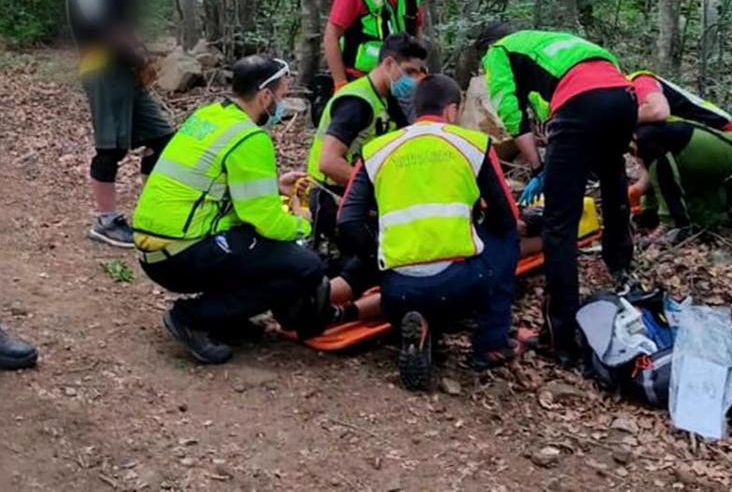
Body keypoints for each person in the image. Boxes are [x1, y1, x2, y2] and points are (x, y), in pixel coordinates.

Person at [132, 56, 328, 364]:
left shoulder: (209, 116)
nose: (282, 106)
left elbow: (213, 180)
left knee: (257, 247)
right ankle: (192, 318)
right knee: (305, 265)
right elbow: (266, 221)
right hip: (182, 252)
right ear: (265, 96)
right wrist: (304, 226)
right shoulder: (250, 137)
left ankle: (226, 317)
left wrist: (273, 185)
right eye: (281, 96)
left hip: (154, 248)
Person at [338, 74, 519, 390]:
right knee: (506, 238)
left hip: (396, 289)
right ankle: (490, 344)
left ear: (414, 109)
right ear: (451, 110)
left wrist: (378, 254)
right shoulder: (473, 145)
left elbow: (348, 220)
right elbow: (506, 218)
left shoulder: (376, 150)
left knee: (418, 283)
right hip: (461, 284)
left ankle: (422, 321)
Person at [476, 25, 637, 365]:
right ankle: (621, 266)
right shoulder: (549, 43)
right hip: (623, 96)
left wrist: (537, 166)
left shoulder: (499, 51)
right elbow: (544, 103)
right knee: (613, 182)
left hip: (581, 100)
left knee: (559, 225)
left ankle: (559, 337)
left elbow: (510, 106)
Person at [65, 0, 173, 247]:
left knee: (162, 139)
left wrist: (140, 53)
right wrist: (138, 56)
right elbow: (102, 24)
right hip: (102, 67)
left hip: (124, 68)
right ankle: (106, 221)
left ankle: (150, 213)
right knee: (110, 148)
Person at [306, 34, 428, 311]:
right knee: (382, 256)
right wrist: (380, 190)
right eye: (408, 71)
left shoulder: (386, 100)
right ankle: (320, 299)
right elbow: (329, 161)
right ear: (388, 63)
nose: (412, 80)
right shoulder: (357, 103)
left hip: (360, 197)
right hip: (334, 198)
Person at [628, 71, 732, 243]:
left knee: (649, 134)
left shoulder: (639, 81)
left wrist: (616, 119)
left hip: (727, 142)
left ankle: (675, 223)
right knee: (652, 210)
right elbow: (652, 165)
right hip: (697, 150)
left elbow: (658, 111)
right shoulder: (632, 119)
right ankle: (728, 199)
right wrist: (636, 190)